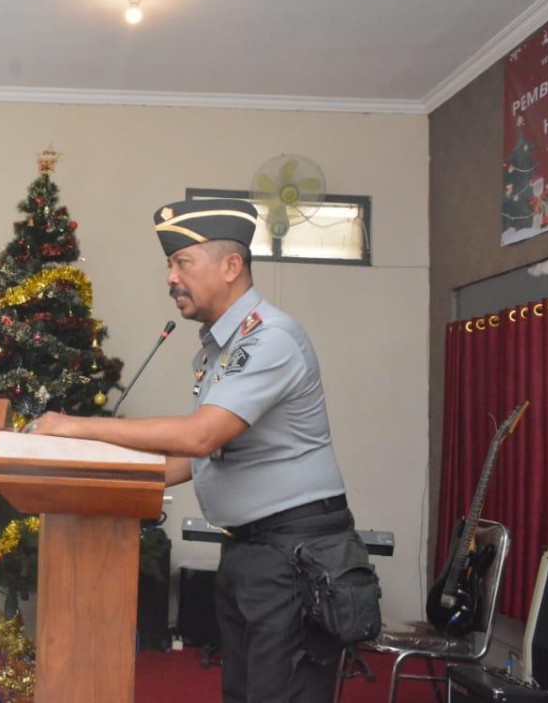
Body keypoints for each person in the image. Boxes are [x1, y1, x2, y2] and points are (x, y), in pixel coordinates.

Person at [27, 198, 369, 703]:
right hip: (250, 552)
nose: (170, 277)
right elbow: (196, 459)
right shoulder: (223, 348)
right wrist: (100, 478)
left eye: (182, 262)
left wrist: (73, 427)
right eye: (170, 264)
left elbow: (199, 436)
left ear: (231, 267)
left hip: (294, 556)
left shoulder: (268, 339)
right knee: (243, 693)